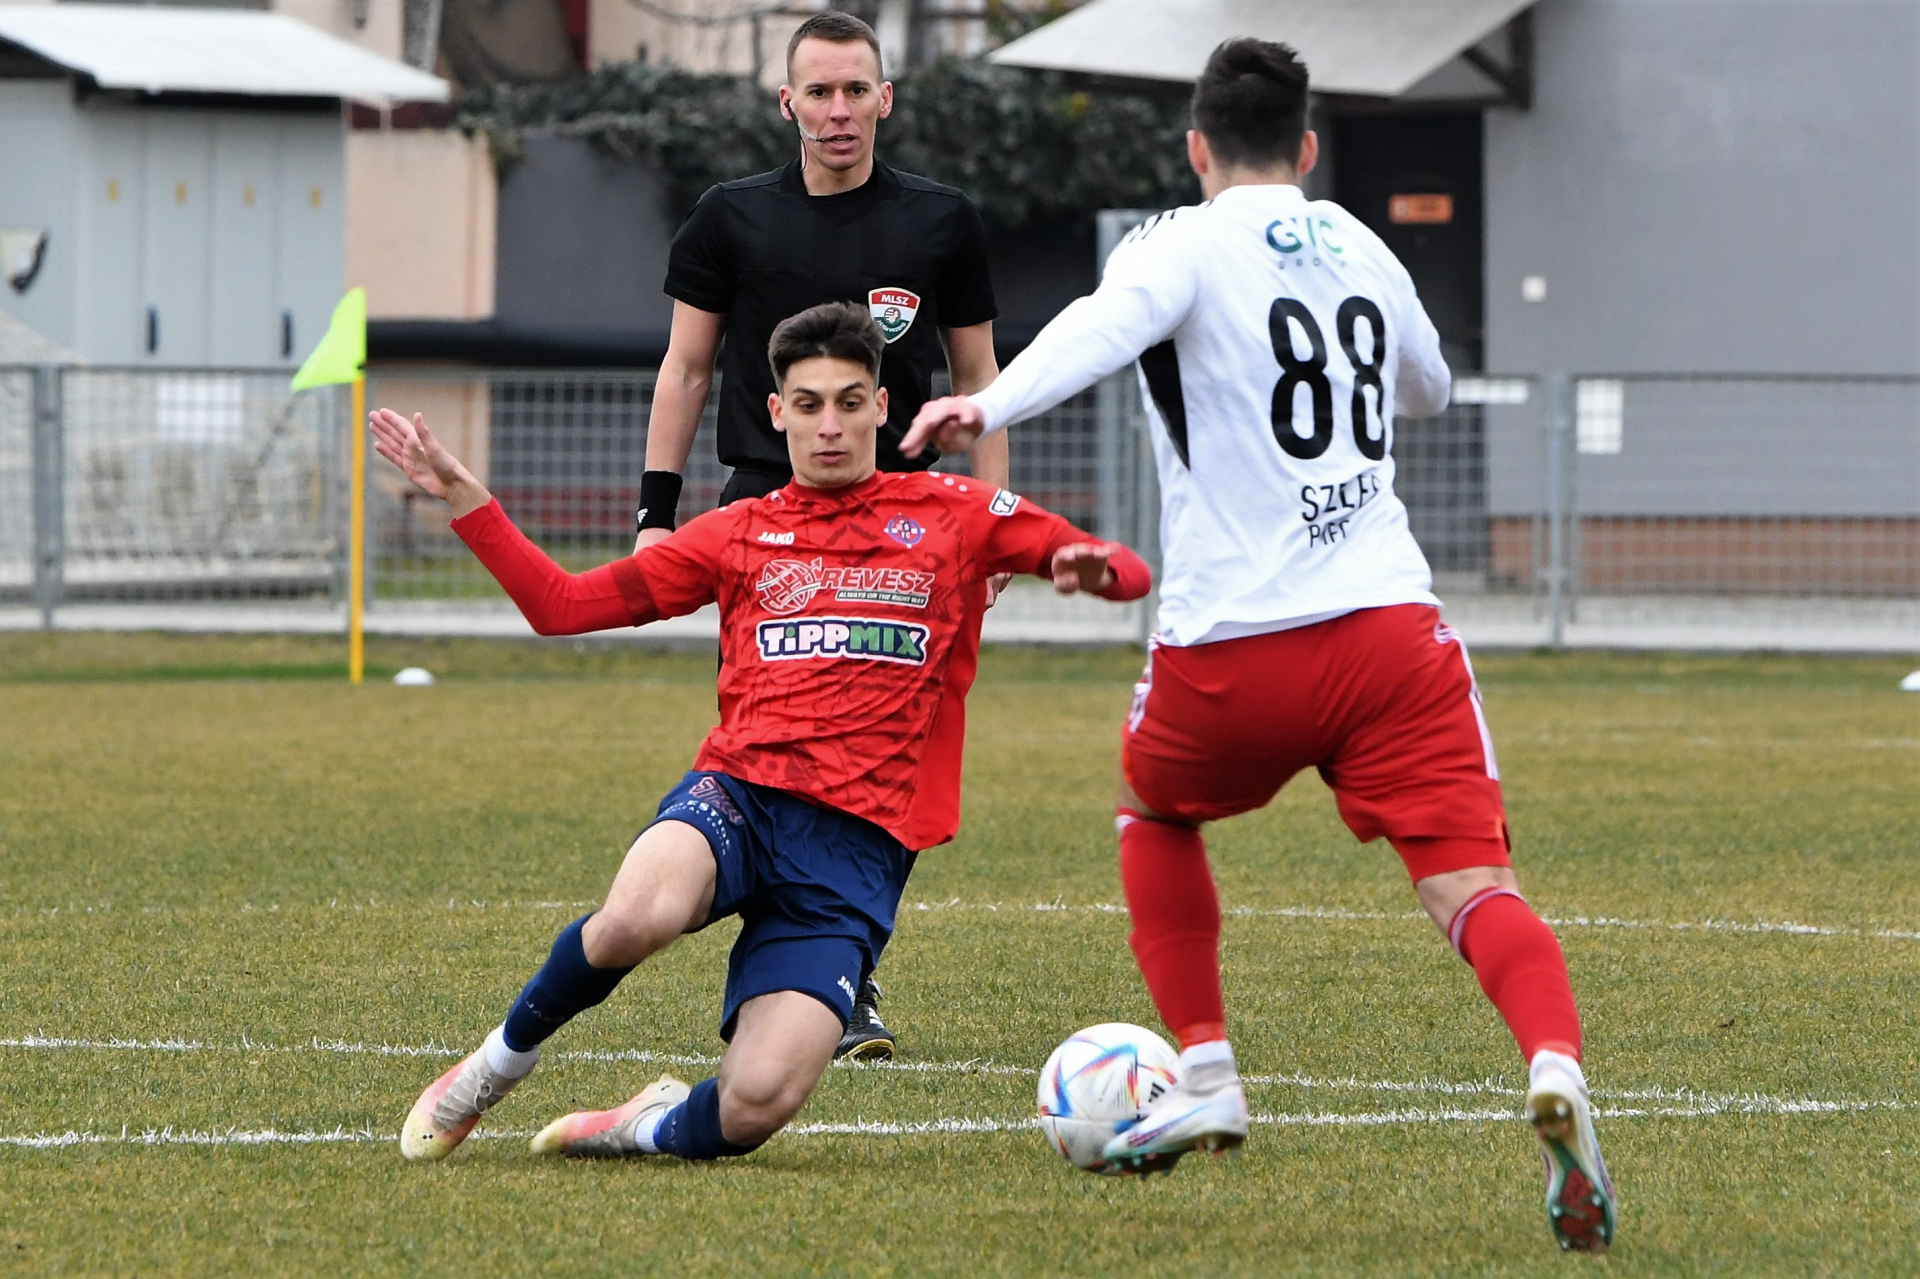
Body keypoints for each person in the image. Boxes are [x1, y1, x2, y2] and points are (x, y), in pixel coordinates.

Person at [903, 39, 1615, 1253]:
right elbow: (1432, 389)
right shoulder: (1363, 245)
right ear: (1308, 146)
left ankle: (1209, 1069)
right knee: (1475, 888)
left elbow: (1102, 326)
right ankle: (1555, 1065)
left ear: (1196, 147)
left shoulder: (1179, 244)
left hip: (1234, 645)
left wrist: (986, 403)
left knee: (1153, 813)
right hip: (1391, 635)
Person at [383, 302, 1149, 1166]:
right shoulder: (738, 532)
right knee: (637, 914)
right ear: (777, 411)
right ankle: (490, 1069)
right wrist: (469, 499)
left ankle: (637, 1124)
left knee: (753, 1105)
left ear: (882, 406)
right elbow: (562, 605)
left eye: (849, 402)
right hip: (740, 797)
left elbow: (1128, 570)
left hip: (856, 852)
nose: (830, 425)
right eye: (809, 404)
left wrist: (1098, 570)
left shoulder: (956, 515)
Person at [634, 9, 1009, 1060]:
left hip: (907, 525)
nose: (838, 110)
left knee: (892, 752)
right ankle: (798, 963)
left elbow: (978, 378)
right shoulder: (729, 218)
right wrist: (657, 513)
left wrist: (991, 521)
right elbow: (686, 368)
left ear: (886, 98)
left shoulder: (942, 222)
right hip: (768, 519)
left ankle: (842, 963)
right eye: (819, 91)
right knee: (774, 744)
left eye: (856, 90)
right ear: (786, 102)